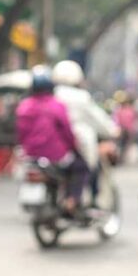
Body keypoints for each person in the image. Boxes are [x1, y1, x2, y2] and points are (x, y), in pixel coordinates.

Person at [16, 65, 88, 211]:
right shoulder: (56, 105)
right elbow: (67, 132)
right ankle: (72, 200)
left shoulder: (24, 106)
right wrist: (74, 146)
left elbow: (21, 134)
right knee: (81, 167)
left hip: (31, 155)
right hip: (56, 156)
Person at [51, 60, 119, 201]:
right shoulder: (81, 97)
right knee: (88, 167)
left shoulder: (51, 96)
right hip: (78, 143)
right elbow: (99, 119)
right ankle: (82, 200)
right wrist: (113, 130)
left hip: (54, 146)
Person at [113, 92, 138, 162]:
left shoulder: (121, 110)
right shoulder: (129, 110)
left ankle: (121, 158)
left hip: (124, 130)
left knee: (122, 145)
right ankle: (121, 158)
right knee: (123, 145)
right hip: (125, 130)